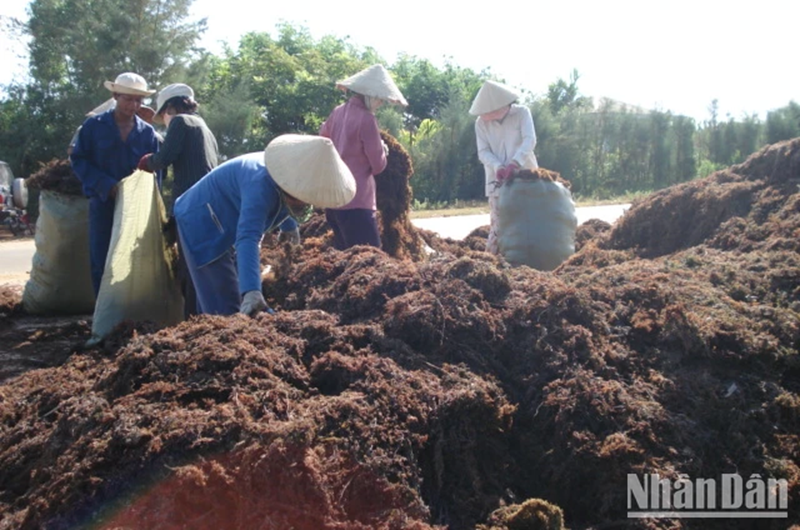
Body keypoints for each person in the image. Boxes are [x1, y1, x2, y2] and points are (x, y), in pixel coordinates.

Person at [173, 134, 356, 316]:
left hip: (229, 220)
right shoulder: (260, 184)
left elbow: (286, 199)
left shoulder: (288, 176)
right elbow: (248, 237)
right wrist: (252, 290)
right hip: (202, 220)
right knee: (224, 304)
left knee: (228, 292)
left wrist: (288, 226)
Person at [70, 72, 161, 296]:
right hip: (103, 202)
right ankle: (104, 314)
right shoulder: (93, 126)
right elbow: (79, 159)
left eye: (138, 100)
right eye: (128, 99)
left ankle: (128, 310)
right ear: (115, 96)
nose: (133, 105)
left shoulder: (148, 133)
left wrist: (143, 197)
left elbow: (157, 170)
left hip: (134, 207)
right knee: (101, 257)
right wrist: (106, 185)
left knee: (133, 257)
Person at [136, 83, 220, 318]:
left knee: (189, 268)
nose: (164, 118)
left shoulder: (181, 122)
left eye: (163, 113)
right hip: (209, 206)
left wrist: (146, 161)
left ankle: (193, 320)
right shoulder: (203, 126)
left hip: (191, 206)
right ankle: (206, 315)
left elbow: (165, 158)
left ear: (171, 107)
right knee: (204, 266)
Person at [319, 64, 407, 250]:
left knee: (345, 261)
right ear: (370, 96)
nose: (380, 104)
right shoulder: (366, 119)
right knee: (369, 261)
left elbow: (323, 142)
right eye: (380, 100)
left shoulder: (336, 112)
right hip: (357, 202)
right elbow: (378, 165)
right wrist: (383, 149)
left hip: (334, 202)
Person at [469, 80, 539, 255]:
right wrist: (498, 166)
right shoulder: (481, 124)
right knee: (498, 224)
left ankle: (528, 261)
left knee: (529, 220)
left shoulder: (522, 113)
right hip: (497, 179)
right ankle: (490, 260)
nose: (484, 115)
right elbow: (483, 151)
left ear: (498, 107)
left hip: (526, 175)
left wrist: (515, 163)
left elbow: (529, 140)